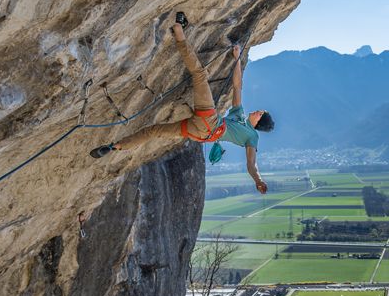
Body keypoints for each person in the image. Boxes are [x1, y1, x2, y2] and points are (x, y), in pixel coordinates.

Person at [89, 12, 274, 193]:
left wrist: (258, 179)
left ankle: (179, 32)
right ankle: (117, 146)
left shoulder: (252, 137)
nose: (258, 110)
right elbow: (237, 86)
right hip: (198, 133)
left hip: (209, 124)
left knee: (199, 74)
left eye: (260, 113)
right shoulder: (238, 114)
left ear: (259, 122)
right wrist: (237, 60)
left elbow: (251, 164)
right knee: (154, 131)